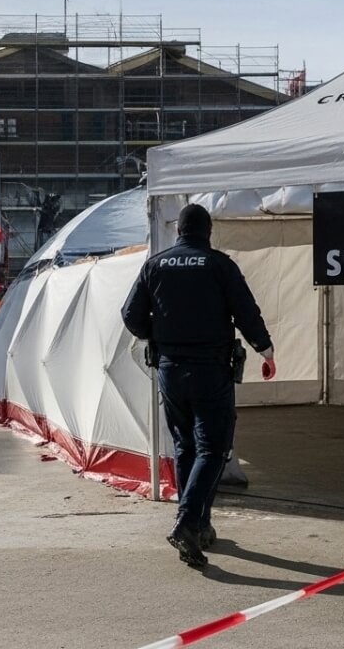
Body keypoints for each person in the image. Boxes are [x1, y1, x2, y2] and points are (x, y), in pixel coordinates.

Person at [121, 203, 275, 569]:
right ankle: (188, 522)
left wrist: (160, 335)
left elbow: (130, 315)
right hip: (210, 369)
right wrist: (265, 349)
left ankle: (200, 524)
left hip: (170, 369)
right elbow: (246, 311)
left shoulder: (156, 265)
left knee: (185, 446)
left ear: (178, 231)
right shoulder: (220, 265)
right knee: (214, 448)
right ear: (208, 232)